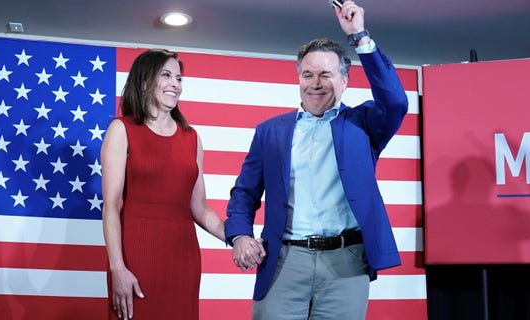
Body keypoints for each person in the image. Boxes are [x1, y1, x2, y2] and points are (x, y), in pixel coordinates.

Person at [224, 1, 409, 319]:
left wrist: (359, 37)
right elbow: (244, 193)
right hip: (283, 261)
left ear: (345, 81)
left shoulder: (363, 124)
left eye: (326, 74)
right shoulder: (270, 131)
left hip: (346, 263)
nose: (315, 83)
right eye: (307, 75)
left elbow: (394, 100)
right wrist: (239, 235)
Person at [101, 48, 225, 319]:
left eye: (179, 78)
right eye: (166, 75)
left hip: (183, 258)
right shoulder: (122, 129)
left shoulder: (192, 138)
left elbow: (200, 209)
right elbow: (110, 206)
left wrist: (239, 238)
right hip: (135, 255)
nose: (175, 84)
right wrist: (117, 268)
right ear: (145, 81)